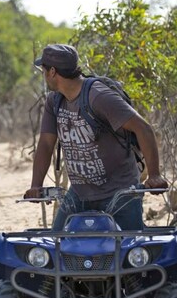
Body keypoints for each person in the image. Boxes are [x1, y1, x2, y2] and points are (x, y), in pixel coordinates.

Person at [24, 44, 168, 231]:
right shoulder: (55, 101)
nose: (43, 75)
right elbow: (45, 144)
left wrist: (155, 175)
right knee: (58, 243)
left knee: (127, 250)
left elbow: (143, 129)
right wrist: (36, 185)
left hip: (120, 193)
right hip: (79, 193)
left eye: (43, 70)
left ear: (52, 72)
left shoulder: (98, 96)